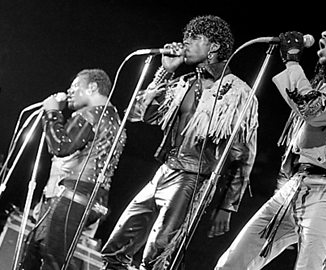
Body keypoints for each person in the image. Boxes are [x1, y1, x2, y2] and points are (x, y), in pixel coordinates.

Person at [215, 15, 326, 270]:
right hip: (295, 187)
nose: (325, 34)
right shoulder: (324, 83)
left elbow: (313, 110)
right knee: (232, 263)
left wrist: (292, 61)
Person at [101, 15, 258, 270]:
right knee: (118, 244)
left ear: (214, 46)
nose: (185, 42)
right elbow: (137, 113)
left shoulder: (239, 93)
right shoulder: (184, 82)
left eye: (195, 37)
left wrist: (227, 205)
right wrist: (165, 71)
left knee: (157, 256)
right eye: (186, 36)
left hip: (193, 178)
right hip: (164, 171)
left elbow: (244, 154)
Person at [20, 68, 127, 270]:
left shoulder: (93, 113)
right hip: (91, 197)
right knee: (37, 248)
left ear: (93, 87)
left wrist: (52, 112)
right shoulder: (114, 119)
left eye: (75, 86)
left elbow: (61, 145)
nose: (69, 91)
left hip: (75, 195)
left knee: (51, 258)